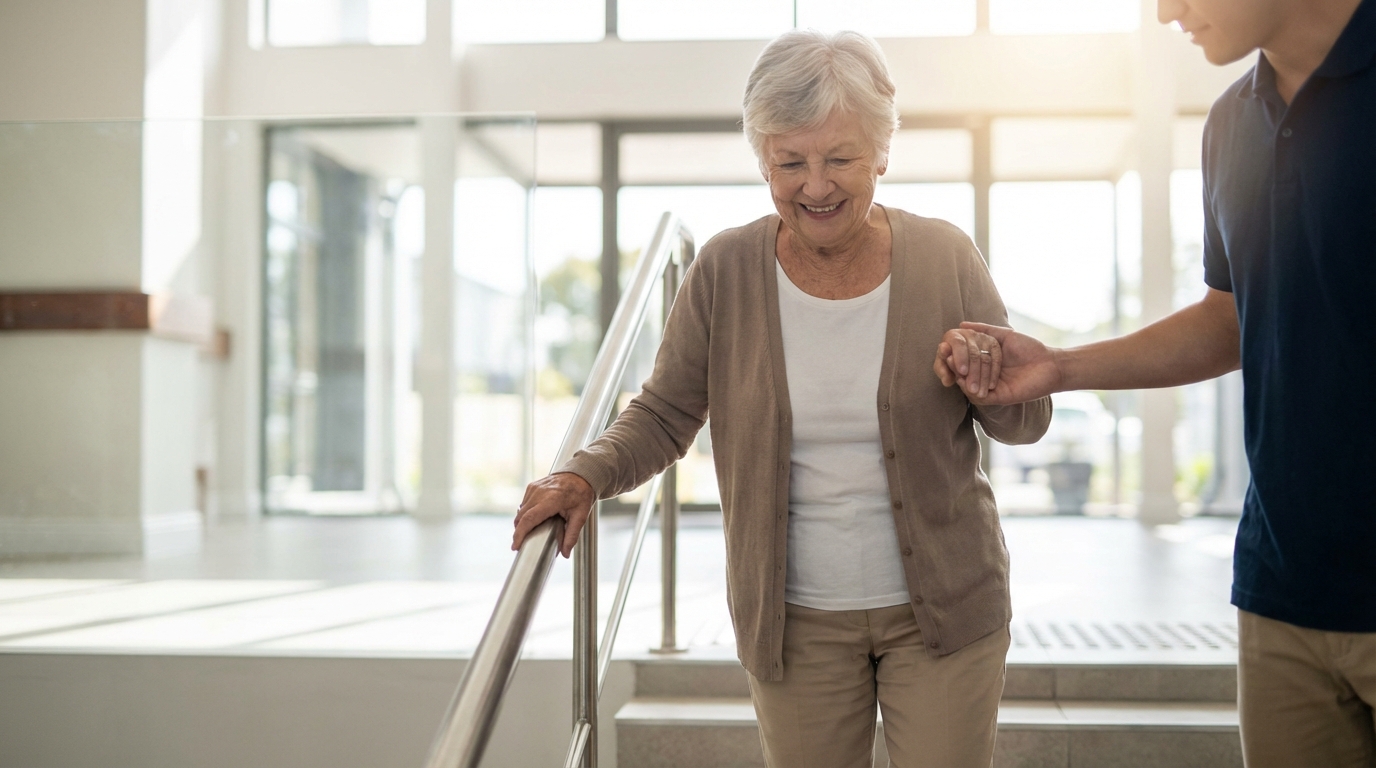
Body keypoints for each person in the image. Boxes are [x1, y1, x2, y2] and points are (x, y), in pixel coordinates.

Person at [513, 29, 1050, 768]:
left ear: (882, 153)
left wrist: (987, 383)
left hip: (949, 610)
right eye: (790, 162)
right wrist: (585, 473)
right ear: (763, 160)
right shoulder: (725, 270)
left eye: (841, 159)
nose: (816, 186)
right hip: (794, 624)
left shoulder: (944, 256)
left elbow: (1026, 420)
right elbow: (667, 412)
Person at [934, 0, 1375, 765]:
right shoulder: (1230, 122)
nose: (1168, 11)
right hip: (1283, 589)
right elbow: (1229, 320)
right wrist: (1060, 367)